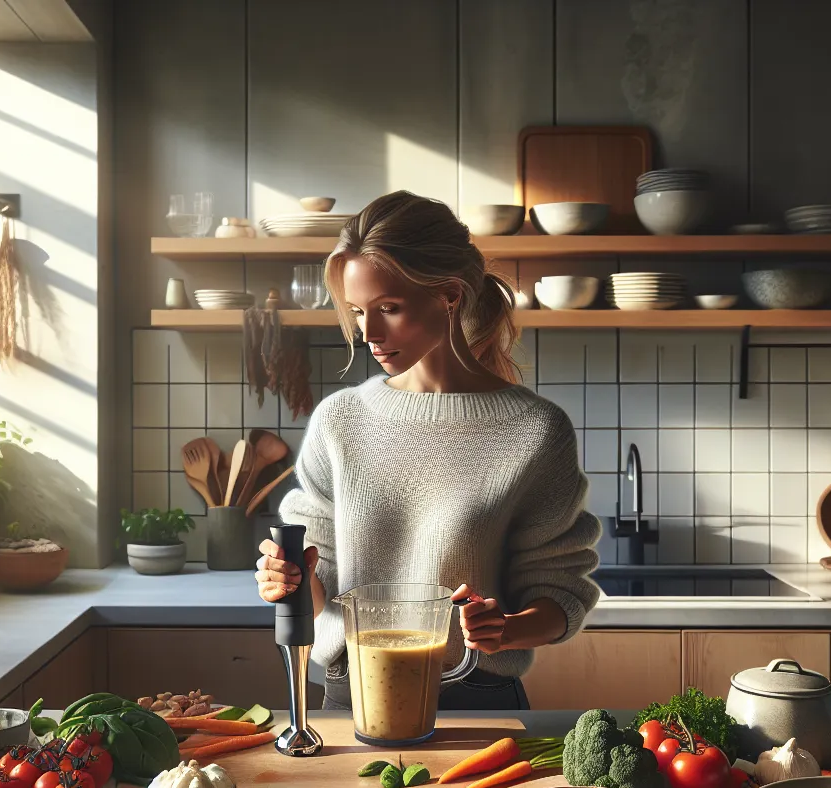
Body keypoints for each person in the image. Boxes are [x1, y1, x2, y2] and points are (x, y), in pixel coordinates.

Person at [254, 190, 601, 711]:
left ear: (449, 296)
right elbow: (319, 586)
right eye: (357, 312)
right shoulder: (341, 421)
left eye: (389, 309)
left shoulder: (534, 429)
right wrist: (289, 579)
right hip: (351, 699)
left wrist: (505, 630)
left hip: (477, 704)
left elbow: (560, 591)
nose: (368, 334)